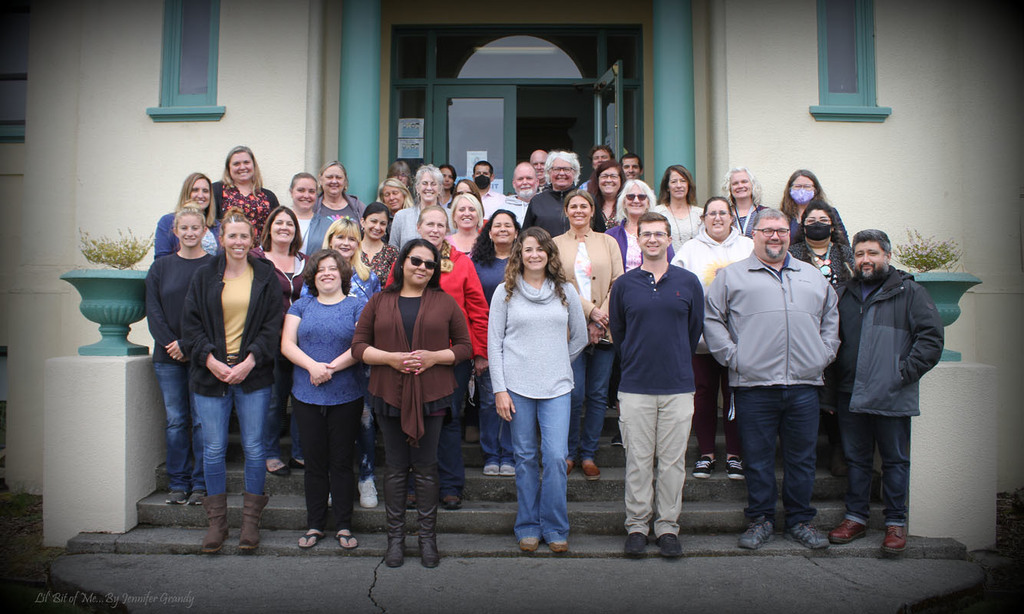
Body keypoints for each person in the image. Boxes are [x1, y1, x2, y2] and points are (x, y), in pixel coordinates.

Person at [703, 208, 839, 551]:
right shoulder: (732, 276)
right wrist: (734, 358)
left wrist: (823, 355)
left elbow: (831, 318)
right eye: (767, 230)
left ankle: (799, 520)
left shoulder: (812, 276)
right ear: (754, 235)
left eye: (781, 230)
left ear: (790, 235)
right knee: (758, 458)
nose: (774, 236)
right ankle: (760, 519)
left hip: (804, 385)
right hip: (754, 385)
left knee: (802, 459)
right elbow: (711, 319)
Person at [351, 239, 473, 568]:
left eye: (430, 264)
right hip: (389, 392)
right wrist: (390, 359)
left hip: (433, 393)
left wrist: (434, 357)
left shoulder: (445, 302)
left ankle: (427, 539)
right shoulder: (379, 301)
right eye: (416, 261)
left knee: (426, 467)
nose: (422, 267)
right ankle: (395, 541)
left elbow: (464, 347)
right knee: (394, 468)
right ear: (403, 262)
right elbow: (358, 346)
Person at [826, 229, 943, 555]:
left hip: (892, 392)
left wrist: (902, 373)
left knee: (894, 461)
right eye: (860, 254)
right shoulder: (843, 293)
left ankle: (895, 523)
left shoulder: (909, 292)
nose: (865, 260)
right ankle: (855, 518)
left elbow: (931, 338)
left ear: (887, 256)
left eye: (872, 253)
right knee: (856, 460)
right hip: (850, 393)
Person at [181, 208, 281, 553]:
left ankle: (250, 523)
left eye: (244, 236)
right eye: (232, 235)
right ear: (221, 239)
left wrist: (249, 361)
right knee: (213, 449)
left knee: (254, 447)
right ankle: (217, 524)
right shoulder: (203, 275)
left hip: (253, 375)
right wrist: (210, 360)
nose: (239, 241)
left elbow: (272, 326)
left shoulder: (265, 275)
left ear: (253, 240)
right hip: (211, 375)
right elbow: (190, 326)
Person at [611, 211, 704, 558]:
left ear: (669, 239)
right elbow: (619, 333)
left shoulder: (689, 282)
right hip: (636, 386)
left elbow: (694, 329)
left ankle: (667, 528)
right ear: (638, 240)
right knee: (638, 460)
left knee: (672, 463)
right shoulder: (624, 285)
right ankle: (637, 526)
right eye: (646, 234)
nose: (652, 239)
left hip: (677, 386)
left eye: (658, 234)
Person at [489, 227, 587, 553]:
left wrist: (557, 360)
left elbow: (580, 337)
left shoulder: (565, 291)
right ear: (520, 254)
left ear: (549, 254)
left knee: (556, 456)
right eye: (528, 249)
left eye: (540, 249)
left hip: (557, 386)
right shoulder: (505, 292)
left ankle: (555, 526)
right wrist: (500, 389)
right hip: (516, 387)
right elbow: (494, 344)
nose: (534, 254)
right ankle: (528, 525)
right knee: (525, 457)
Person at [282, 249, 365, 551]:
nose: (327, 273)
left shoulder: (357, 306)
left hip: (346, 395)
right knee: (314, 463)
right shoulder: (301, 305)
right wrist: (312, 367)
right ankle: (315, 524)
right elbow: (287, 344)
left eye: (333, 268)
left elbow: (361, 345)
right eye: (321, 269)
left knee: (341, 463)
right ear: (313, 276)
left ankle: (343, 524)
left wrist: (329, 369)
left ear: (343, 274)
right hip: (306, 395)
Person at [411, 205, 490, 510]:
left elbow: (478, 309)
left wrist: (479, 352)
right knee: (413, 419)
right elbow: (390, 301)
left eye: (440, 225)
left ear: (447, 230)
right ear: (419, 227)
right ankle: (416, 485)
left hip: (451, 356)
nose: (434, 229)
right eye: (429, 224)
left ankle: (450, 486)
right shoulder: (407, 261)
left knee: (448, 419)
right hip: (412, 355)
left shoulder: (460, 263)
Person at [671, 197, 753, 480]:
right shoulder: (689, 249)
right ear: (703, 218)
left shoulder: (748, 246)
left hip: (740, 338)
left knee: (734, 395)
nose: (717, 218)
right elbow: (677, 287)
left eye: (722, 213)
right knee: (703, 396)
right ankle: (706, 453)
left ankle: (734, 455)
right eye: (711, 213)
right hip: (701, 338)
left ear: (732, 217)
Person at [553, 190, 623, 480]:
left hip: (604, 329)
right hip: (570, 329)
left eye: (584, 206)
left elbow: (618, 281)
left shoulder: (608, 242)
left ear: (593, 211)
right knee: (574, 393)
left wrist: (600, 317)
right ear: (566, 211)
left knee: (597, 394)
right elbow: (557, 282)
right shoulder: (555, 244)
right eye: (573, 206)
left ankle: (589, 454)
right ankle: (569, 453)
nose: (579, 210)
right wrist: (590, 312)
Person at [146, 206, 213, 506]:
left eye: (195, 228)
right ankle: (178, 483)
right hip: (167, 358)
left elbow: (215, 313)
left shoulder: (213, 266)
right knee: (175, 421)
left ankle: (200, 483)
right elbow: (153, 311)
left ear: (204, 231)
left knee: (201, 421)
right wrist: (173, 344)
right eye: (184, 228)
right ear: (175, 231)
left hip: (202, 356)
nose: (189, 233)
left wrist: (189, 345)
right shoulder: (161, 267)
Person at [788, 200, 855, 476]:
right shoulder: (792, 253)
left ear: (833, 225)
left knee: (836, 389)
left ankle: (838, 449)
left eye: (823, 220)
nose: (817, 225)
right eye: (812, 221)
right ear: (803, 226)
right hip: (804, 329)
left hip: (842, 329)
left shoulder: (845, 253)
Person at [323, 217, 383, 509]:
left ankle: (367, 478)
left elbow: (378, 320)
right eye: (340, 238)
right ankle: (336, 481)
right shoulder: (316, 274)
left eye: (351, 239)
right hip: (325, 362)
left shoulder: (369, 278)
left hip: (360, 363)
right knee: (332, 426)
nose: (345, 243)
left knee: (364, 421)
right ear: (330, 240)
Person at [253, 206, 307, 478]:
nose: (284, 227)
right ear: (269, 228)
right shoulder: (257, 259)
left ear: (296, 231)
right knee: (275, 399)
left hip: (302, 342)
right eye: (279, 223)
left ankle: (299, 452)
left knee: (301, 398)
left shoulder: (305, 261)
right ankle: (270, 452)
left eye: (290, 224)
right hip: (271, 340)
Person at [470, 209, 521, 477]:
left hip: (519, 340)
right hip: (488, 339)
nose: (502, 229)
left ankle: (510, 455)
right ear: (489, 233)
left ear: (516, 232)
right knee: (490, 400)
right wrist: (479, 350)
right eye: (497, 225)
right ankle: (491, 454)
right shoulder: (476, 263)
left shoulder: (526, 261)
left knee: (515, 398)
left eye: (508, 225)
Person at [606, 179, 673, 271]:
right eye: (630, 196)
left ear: (648, 203)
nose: (636, 200)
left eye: (641, 197)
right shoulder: (611, 235)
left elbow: (670, 262)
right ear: (624, 203)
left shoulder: (661, 233)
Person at [212, 145, 280, 235]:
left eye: (246, 162)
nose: (242, 167)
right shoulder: (216, 190)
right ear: (228, 168)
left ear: (254, 165)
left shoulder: (269, 196)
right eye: (236, 164)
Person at [155, 172, 220, 259]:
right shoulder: (167, 222)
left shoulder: (217, 226)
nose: (201, 195)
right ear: (186, 193)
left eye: (205, 191)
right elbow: (161, 260)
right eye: (195, 190)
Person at [779, 169, 847, 243]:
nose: (802, 190)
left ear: (815, 190)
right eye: (798, 186)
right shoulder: (783, 215)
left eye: (807, 186)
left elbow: (843, 240)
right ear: (790, 189)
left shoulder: (830, 212)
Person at [523, 150, 580, 237]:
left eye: (566, 169)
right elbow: (525, 236)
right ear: (548, 172)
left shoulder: (586, 200)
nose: (561, 173)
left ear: (575, 172)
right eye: (556, 169)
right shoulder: (537, 202)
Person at [389, 164, 444, 249]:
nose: (429, 188)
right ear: (417, 188)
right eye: (425, 183)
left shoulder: (450, 216)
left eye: (433, 184)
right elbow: (393, 250)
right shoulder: (401, 217)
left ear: (440, 189)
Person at [654, 164, 703, 251]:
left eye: (683, 181)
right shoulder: (657, 212)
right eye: (674, 182)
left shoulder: (700, 214)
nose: (679, 185)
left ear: (688, 185)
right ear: (667, 187)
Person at [287, 172, 330, 256]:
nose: (306, 195)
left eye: (311, 191)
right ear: (291, 192)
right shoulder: (279, 222)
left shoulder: (327, 225)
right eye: (301, 190)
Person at [360, 202, 400, 282]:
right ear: (363, 222)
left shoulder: (392, 253)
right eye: (373, 221)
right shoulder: (352, 249)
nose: (377, 227)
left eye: (382, 224)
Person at [720, 166, 765, 238]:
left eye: (744, 182)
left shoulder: (765, 213)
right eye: (735, 183)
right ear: (729, 188)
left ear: (753, 185)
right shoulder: (722, 215)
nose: (740, 186)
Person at [586, 160, 624, 232]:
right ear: (597, 180)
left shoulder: (627, 204)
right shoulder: (588, 203)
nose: (608, 180)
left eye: (613, 176)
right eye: (604, 176)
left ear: (621, 180)